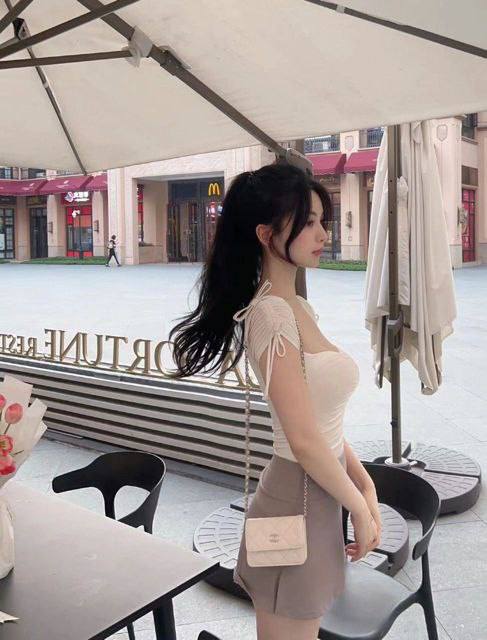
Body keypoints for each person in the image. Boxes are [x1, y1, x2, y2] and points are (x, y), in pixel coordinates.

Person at [167, 164, 381, 640]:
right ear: (266, 235)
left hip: (317, 497)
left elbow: (321, 425)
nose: (323, 234)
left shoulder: (296, 307)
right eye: (307, 223)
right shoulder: (269, 314)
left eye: (322, 221)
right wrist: (359, 506)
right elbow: (302, 440)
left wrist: (364, 486)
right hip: (297, 500)